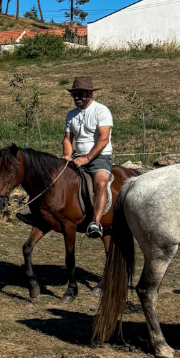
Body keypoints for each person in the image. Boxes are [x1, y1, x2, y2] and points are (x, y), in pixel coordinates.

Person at [62, 76, 113, 238]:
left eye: (80, 94)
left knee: (101, 182)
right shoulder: (71, 115)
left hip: (100, 157)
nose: (77, 98)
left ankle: (95, 223)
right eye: (74, 95)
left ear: (90, 94)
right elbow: (67, 139)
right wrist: (67, 155)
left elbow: (104, 138)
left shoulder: (101, 110)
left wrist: (87, 158)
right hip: (77, 157)